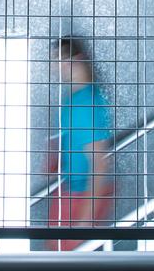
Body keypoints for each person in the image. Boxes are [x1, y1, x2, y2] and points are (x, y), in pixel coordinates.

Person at [47, 36, 114, 250]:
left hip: (80, 197)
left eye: (57, 60)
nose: (54, 67)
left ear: (75, 60)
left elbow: (99, 164)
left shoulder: (87, 102)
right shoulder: (72, 99)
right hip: (69, 192)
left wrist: (84, 221)